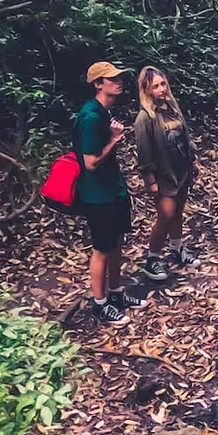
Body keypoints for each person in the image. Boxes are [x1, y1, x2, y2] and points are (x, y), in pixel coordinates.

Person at [77, 61, 147, 324]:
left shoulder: (103, 112)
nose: (118, 82)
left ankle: (116, 293)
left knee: (116, 243)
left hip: (112, 190)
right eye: (111, 79)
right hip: (98, 195)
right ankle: (100, 303)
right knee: (102, 249)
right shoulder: (92, 117)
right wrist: (115, 140)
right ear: (98, 84)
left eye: (119, 77)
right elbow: (91, 162)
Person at [133, 66, 198, 282]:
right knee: (165, 216)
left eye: (163, 84)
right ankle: (152, 258)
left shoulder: (172, 107)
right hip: (163, 176)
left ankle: (177, 248)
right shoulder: (145, 118)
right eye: (156, 86)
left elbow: (184, 137)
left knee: (178, 211)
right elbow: (144, 155)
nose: (162, 89)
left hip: (181, 171)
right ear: (147, 89)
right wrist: (151, 183)